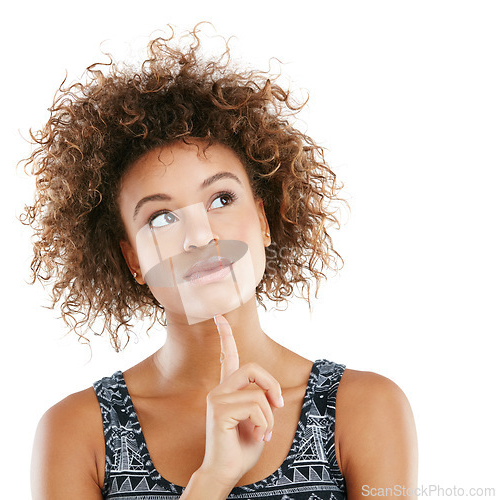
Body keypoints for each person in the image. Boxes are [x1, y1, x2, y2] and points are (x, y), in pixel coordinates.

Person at [22, 25, 418, 500]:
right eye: (162, 217)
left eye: (221, 198)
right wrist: (212, 479)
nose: (200, 235)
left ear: (265, 220)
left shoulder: (365, 409)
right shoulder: (76, 433)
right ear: (131, 256)